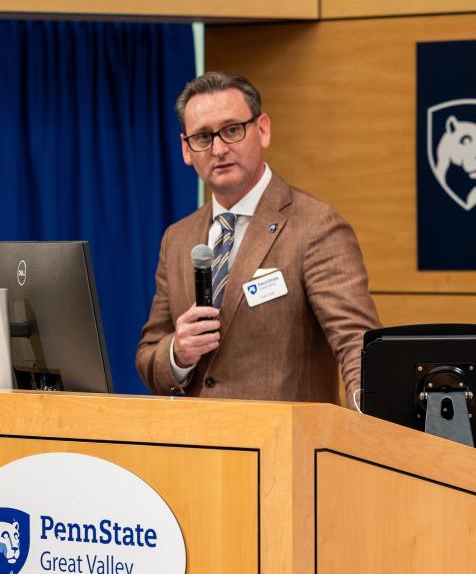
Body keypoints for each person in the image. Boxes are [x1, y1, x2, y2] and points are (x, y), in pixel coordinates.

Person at [135, 72, 381, 407]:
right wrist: (178, 352)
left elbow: (357, 345)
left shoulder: (315, 226)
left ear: (262, 129)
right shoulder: (177, 239)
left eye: (232, 130)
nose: (219, 149)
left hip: (285, 449)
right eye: (203, 137)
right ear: (186, 149)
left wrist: (366, 420)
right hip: (195, 450)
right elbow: (149, 356)